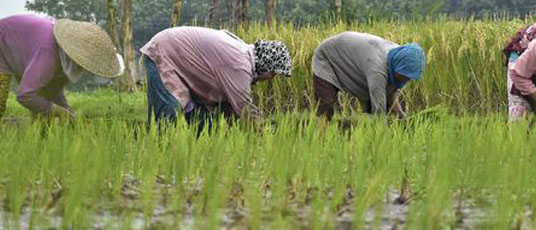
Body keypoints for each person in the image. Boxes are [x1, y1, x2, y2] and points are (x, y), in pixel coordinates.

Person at [140, 27, 292, 132]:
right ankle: (160, 156)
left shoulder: (243, 55)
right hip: (164, 52)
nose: (270, 78)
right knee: (168, 114)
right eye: (273, 73)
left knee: (204, 125)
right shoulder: (239, 64)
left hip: (183, 67)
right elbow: (244, 107)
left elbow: (228, 107)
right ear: (266, 65)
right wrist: (264, 138)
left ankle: (197, 156)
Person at [0, 14, 124, 121]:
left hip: (23, 51)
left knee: (42, 111)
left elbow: (54, 90)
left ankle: (41, 143)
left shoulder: (61, 59)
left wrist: (68, 113)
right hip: (3, 43)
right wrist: (56, 110)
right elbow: (25, 96)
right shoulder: (48, 55)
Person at [312, 31, 426, 120]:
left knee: (383, 109)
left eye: (409, 77)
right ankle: (320, 142)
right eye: (405, 76)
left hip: (355, 57)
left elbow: (391, 90)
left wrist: (400, 114)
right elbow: (379, 110)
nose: (407, 79)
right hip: (327, 57)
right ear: (397, 68)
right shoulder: (377, 67)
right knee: (326, 108)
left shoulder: (400, 55)